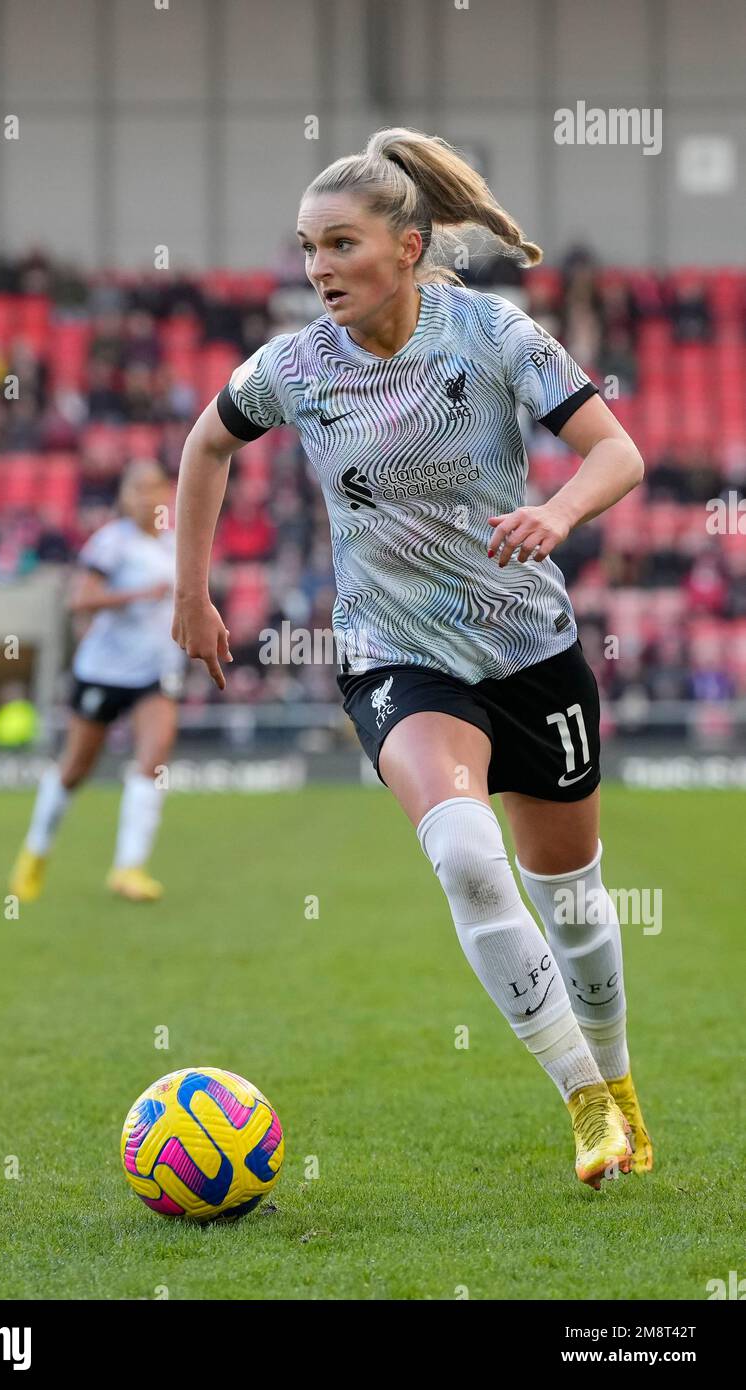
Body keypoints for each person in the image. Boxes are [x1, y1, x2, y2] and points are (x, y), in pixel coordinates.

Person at [171, 126, 651, 1189]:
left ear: (408, 242)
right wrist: (189, 591)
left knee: (570, 901)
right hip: (396, 657)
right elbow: (204, 443)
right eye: (305, 249)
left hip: (531, 650)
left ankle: (619, 1084)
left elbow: (616, 451)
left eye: (339, 245)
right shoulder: (292, 366)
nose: (317, 270)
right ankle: (580, 1104)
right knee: (467, 860)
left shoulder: (490, 333)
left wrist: (557, 511)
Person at [10, 458, 184, 902]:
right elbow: (79, 601)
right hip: (103, 673)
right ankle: (35, 852)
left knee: (155, 756)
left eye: (157, 486)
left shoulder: (173, 544)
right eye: (140, 488)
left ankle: (129, 868)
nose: (150, 496)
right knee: (75, 769)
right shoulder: (111, 544)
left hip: (153, 672)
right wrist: (137, 596)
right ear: (125, 496)